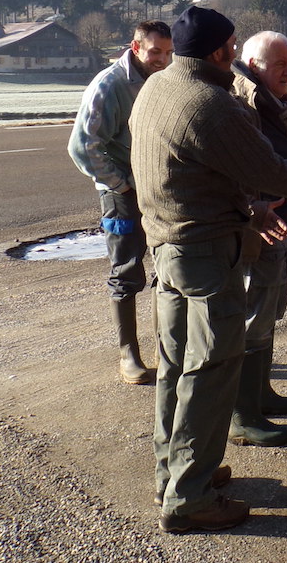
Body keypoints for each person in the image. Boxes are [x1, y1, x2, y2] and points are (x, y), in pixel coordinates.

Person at [131, 5, 287, 534]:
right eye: (231, 46)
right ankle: (190, 497)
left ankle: (175, 472)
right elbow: (267, 169)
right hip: (205, 255)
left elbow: (188, 173)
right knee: (210, 370)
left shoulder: (156, 88)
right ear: (219, 51)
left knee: (176, 365)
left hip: (167, 248)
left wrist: (251, 211)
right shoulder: (210, 104)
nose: (234, 54)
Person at [67, 19, 173, 385]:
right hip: (123, 193)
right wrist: (121, 185)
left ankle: (167, 349)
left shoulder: (163, 79)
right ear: (136, 47)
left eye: (168, 52)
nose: (162, 59)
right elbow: (83, 147)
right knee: (127, 271)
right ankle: (129, 353)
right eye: (155, 51)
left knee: (167, 267)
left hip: (158, 187)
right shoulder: (109, 85)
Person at [228, 30, 287, 448]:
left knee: (267, 312)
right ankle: (243, 415)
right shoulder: (243, 100)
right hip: (255, 227)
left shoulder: (272, 98)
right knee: (251, 315)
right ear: (255, 65)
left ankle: (261, 394)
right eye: (280, 64)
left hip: (277, 224)